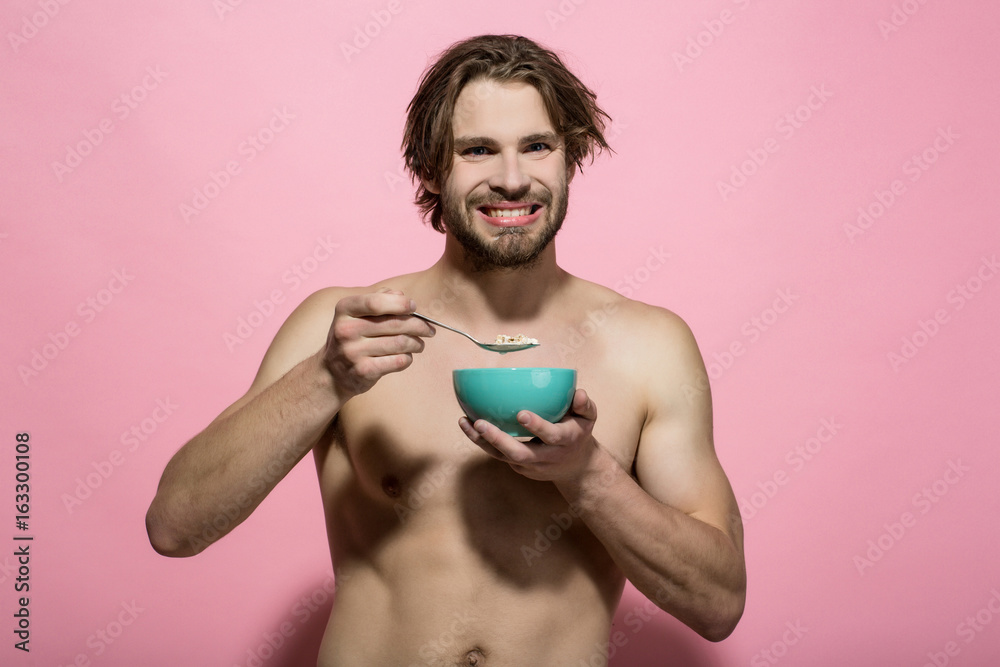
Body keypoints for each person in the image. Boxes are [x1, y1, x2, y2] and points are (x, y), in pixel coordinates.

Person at [146, 34, 746, 666]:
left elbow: (719, 603)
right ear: (432, 167)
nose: (512, 180)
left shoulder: (649, 346)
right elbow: (176, 526)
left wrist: (587, 474)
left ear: (570, 159)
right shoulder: (344, 328)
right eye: (478, 150)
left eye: (537, 147)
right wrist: (326, 378)